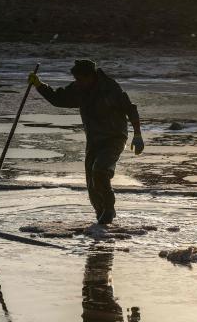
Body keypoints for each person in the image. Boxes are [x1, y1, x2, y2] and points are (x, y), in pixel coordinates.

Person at [28, 59, 144, 224]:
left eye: (81, 79)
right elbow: (58, 99)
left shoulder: (110, 88)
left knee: (101, 170)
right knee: (92, 184)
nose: (78, 83)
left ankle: (109, 208)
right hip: (94, 140)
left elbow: (130, 108)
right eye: (76, 79)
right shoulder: (78, 89)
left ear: (91, 76)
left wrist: (137, 135)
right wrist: (39, 85)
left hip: (114, 138)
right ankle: (102, 218)